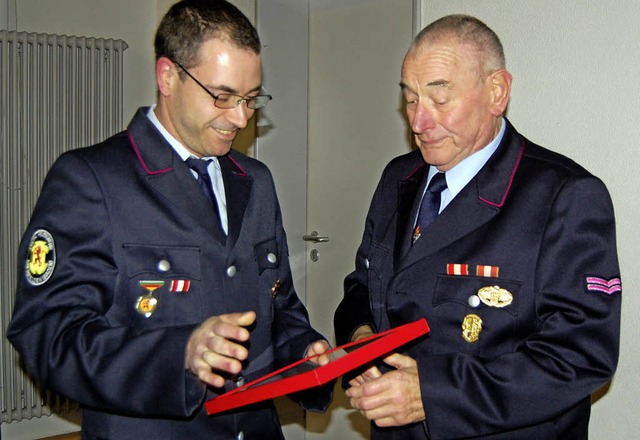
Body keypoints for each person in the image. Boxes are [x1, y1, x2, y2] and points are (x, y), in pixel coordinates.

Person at [7, 1, 331, 439]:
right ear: (167, 77)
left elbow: (279, 307)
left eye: (251, 99)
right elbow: (48, 336)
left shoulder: (254, 181)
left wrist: (304, 351)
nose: (240, 117)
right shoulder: (93, 180)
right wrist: (179, 355)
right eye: (223, 96)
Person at [334, 14, 621, 440]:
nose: (418, 122)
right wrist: (362, 346)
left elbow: (579, 355)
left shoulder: (564, 195)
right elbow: (364, 286)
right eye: (410, 99)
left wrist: (432, 394)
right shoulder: (399, 176)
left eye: (440, 99)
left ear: (497, 92)